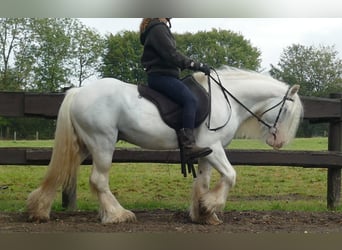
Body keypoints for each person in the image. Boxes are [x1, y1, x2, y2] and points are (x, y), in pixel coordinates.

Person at [139, 18, 212, 160]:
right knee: (190, 100)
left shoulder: (157, 28)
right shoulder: (158, 28)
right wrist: (196, 65)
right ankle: (189, 146)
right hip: (161, 77)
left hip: (165, 76)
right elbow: (172, 54)